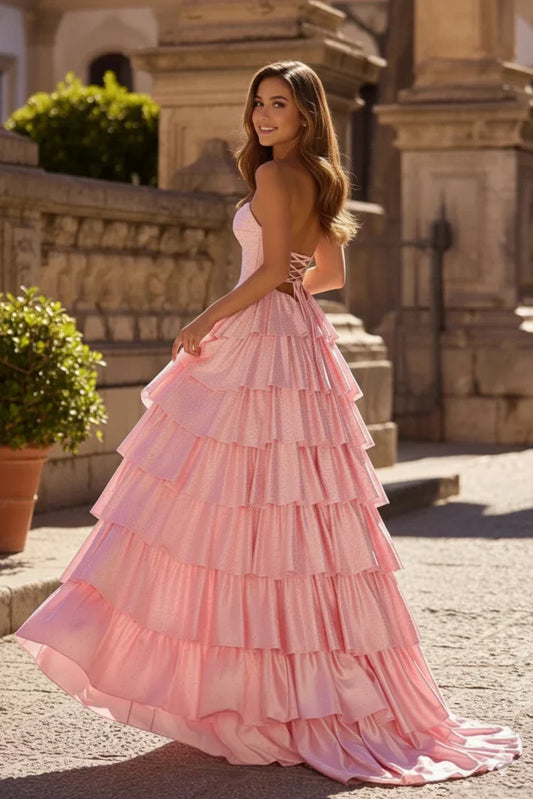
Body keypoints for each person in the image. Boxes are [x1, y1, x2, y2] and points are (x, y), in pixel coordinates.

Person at [14, 60, 521, 787]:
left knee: (229, 508)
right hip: (296, 337)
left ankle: (256, 695)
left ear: (305, 115)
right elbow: (326, 274)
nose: (262, 115)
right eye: (257, 103)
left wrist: (207, 315)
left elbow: (267, 275)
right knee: (289, 518)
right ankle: (288, 691)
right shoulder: (314, 175)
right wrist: (280, 291)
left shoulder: (278, 178)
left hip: (261, 338)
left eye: (277, 104)